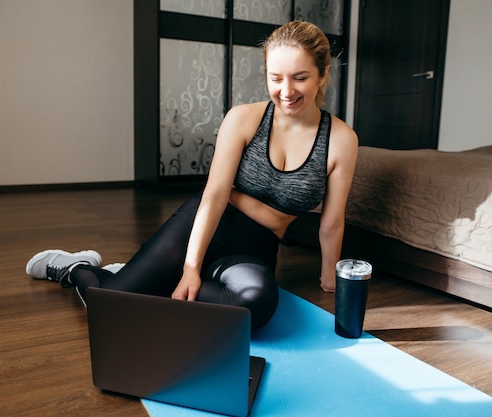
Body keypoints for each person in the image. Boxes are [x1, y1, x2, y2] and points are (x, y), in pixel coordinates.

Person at [26, 21, 358, 330]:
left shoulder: (341, 141)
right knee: (109, 306)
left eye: (300, 77)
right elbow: (215, 196)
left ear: (322, 73)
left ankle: (141, 277)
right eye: (276, 78)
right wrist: (189, 268)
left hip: (254, 251)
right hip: (202, 227)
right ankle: (77, 268)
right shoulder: (243, 120)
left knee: (256, 304)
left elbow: (332, 222)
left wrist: (331, 275)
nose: (286, 91)